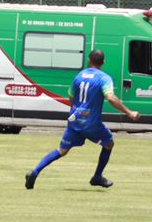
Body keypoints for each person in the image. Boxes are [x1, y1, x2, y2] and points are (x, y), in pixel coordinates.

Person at [24, 50, 139, 190]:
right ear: (103, 63)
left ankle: (34, 172)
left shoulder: (79, 76)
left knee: (62, 150)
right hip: (91, 123)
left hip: (75, 120)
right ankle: (97, 177)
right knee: (109, 144)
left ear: (89, 60)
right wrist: (129, 112)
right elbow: (110, 97)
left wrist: (77, 111)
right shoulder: (104, 78)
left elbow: (71, 97)